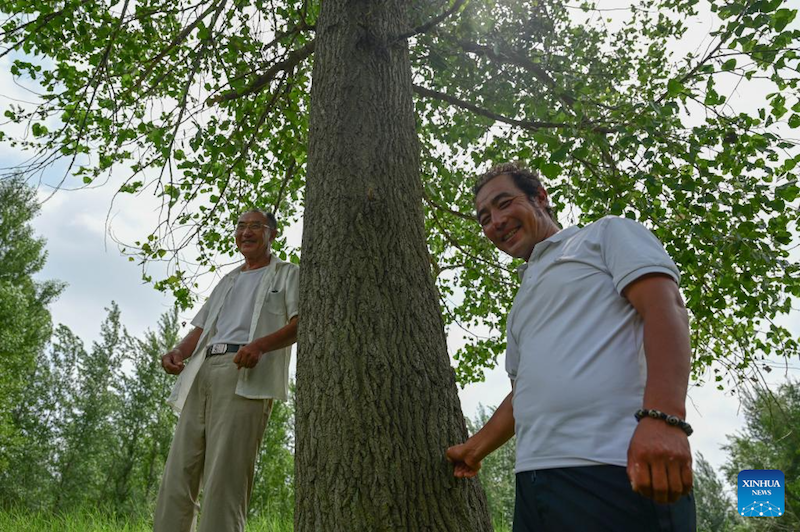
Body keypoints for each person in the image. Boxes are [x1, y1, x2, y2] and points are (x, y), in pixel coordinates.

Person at [447, 162, 696, 531]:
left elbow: (665, 308)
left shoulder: (604, 235)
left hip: (614, 469)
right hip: (534, 483)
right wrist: (474, 449)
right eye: (484, 217)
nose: (495, 221)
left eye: (504, 203)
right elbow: (523, 393)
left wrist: (664, 418)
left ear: (540, 198)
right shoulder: (520, 304)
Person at [154, 209, 299, 532]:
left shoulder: (288, 274)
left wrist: (260, 346)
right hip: (203, 371)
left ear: (272, 235)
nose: (246, 232)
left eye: (256, 227)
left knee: (225, 479)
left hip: (245, 374)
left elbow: (300, 324)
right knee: (179, 472)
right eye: (241, 226)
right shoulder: (228, 280)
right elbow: (202, 328)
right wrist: (178, 351)